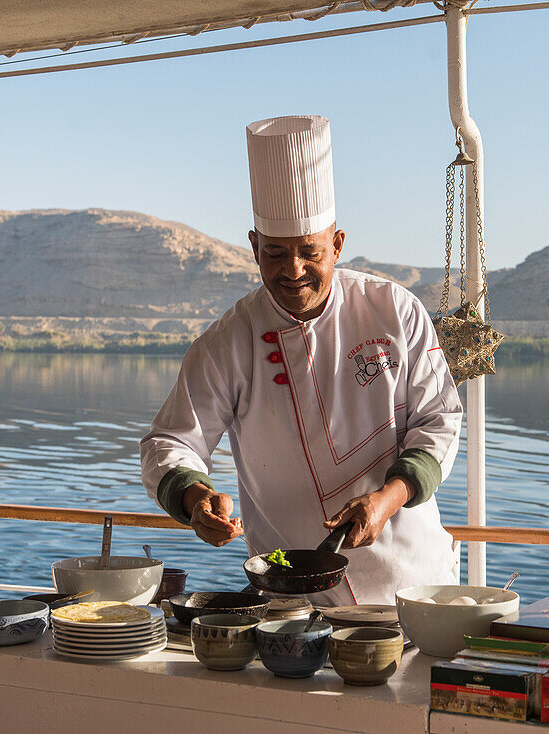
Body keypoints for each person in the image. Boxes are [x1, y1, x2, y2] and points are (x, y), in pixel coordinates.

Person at [140, 114, 462, 605]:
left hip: (410, 586)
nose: (292, 271)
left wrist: (386, 499)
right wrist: (195, 499)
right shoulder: (229, 341)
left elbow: (439, 420)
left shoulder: (393, 310)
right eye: (274, 253)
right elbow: (169, 442)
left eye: (309, 252)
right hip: (291, 597)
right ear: (253, 247)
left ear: (337, 244)